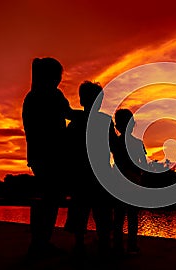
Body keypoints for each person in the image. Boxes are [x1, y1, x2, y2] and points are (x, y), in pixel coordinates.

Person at [22, 57, 75, 258]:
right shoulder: (51, 95)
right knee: (51, 199)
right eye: (58, 75)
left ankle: (40, 242)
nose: (60, 79)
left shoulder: (32, 96)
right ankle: (40, 243)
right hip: (50, 155)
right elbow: (69, 114)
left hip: (37, 155)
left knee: (49, 198)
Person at [64, 81, 114, 257]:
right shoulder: (105, 121)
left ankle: (80, 245)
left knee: (82, 211)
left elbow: (67, 150)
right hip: (97, 175)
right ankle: (103, 245)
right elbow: (113, 145)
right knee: (101, 213)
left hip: (81, 175)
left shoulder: (75, 124)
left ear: (81, 101)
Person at [111, 109, 147, 255]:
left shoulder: (116, 143)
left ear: (117, 126)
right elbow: (143, 165)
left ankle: (118, 246)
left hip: (119, 182)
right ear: (132, 125)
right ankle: (132, 245)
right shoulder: (138, 143)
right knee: (132, 217)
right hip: (133, 181)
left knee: (118, 217)